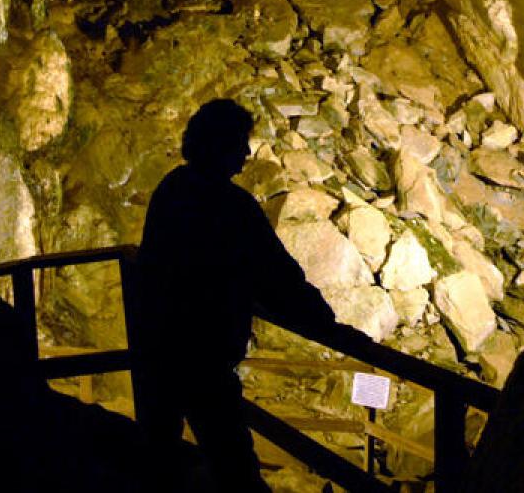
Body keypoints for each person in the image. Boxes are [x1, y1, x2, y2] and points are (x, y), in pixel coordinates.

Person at [135, 99, 369, 492]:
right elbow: (277, 277)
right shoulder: (230, 206)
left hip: (162, 350)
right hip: (203, 360)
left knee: (162, 454)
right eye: (239, 143)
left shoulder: (172, 188)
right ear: (219, 145)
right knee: (235, 468)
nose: (246, 153)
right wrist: (328, 327)